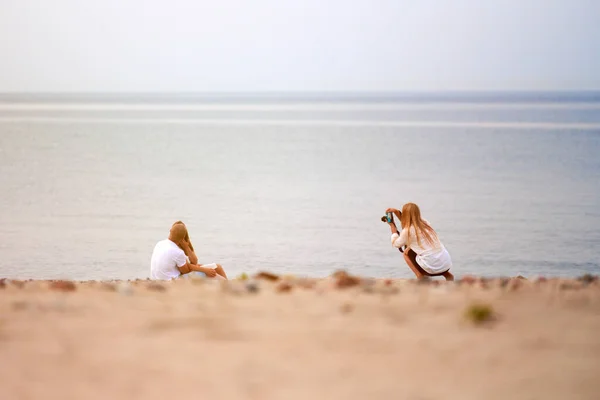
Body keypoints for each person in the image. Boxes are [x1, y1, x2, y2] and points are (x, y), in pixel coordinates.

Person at [386, 203, 454, 281]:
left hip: (431, 269)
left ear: (404, 214)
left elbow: (396, 244)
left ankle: (420, 276)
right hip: (446, 265)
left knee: (406, 253)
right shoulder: (425, 223)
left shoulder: (407, 231)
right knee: (430, 250)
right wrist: (395, 211)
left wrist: (392, 226)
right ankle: (448, 275)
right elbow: (408, 222)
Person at [150, 221, 228, 280]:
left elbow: (192, 263)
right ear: (182, 237)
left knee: (217, 267)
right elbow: (186, 271)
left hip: (156, 279)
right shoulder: (177, 251)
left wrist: (186, 247)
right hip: (172, 282)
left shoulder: (159, 244)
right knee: (214, 272)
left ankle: (226, 287)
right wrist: (204, 270)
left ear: (170, 231)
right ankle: (228, 289)